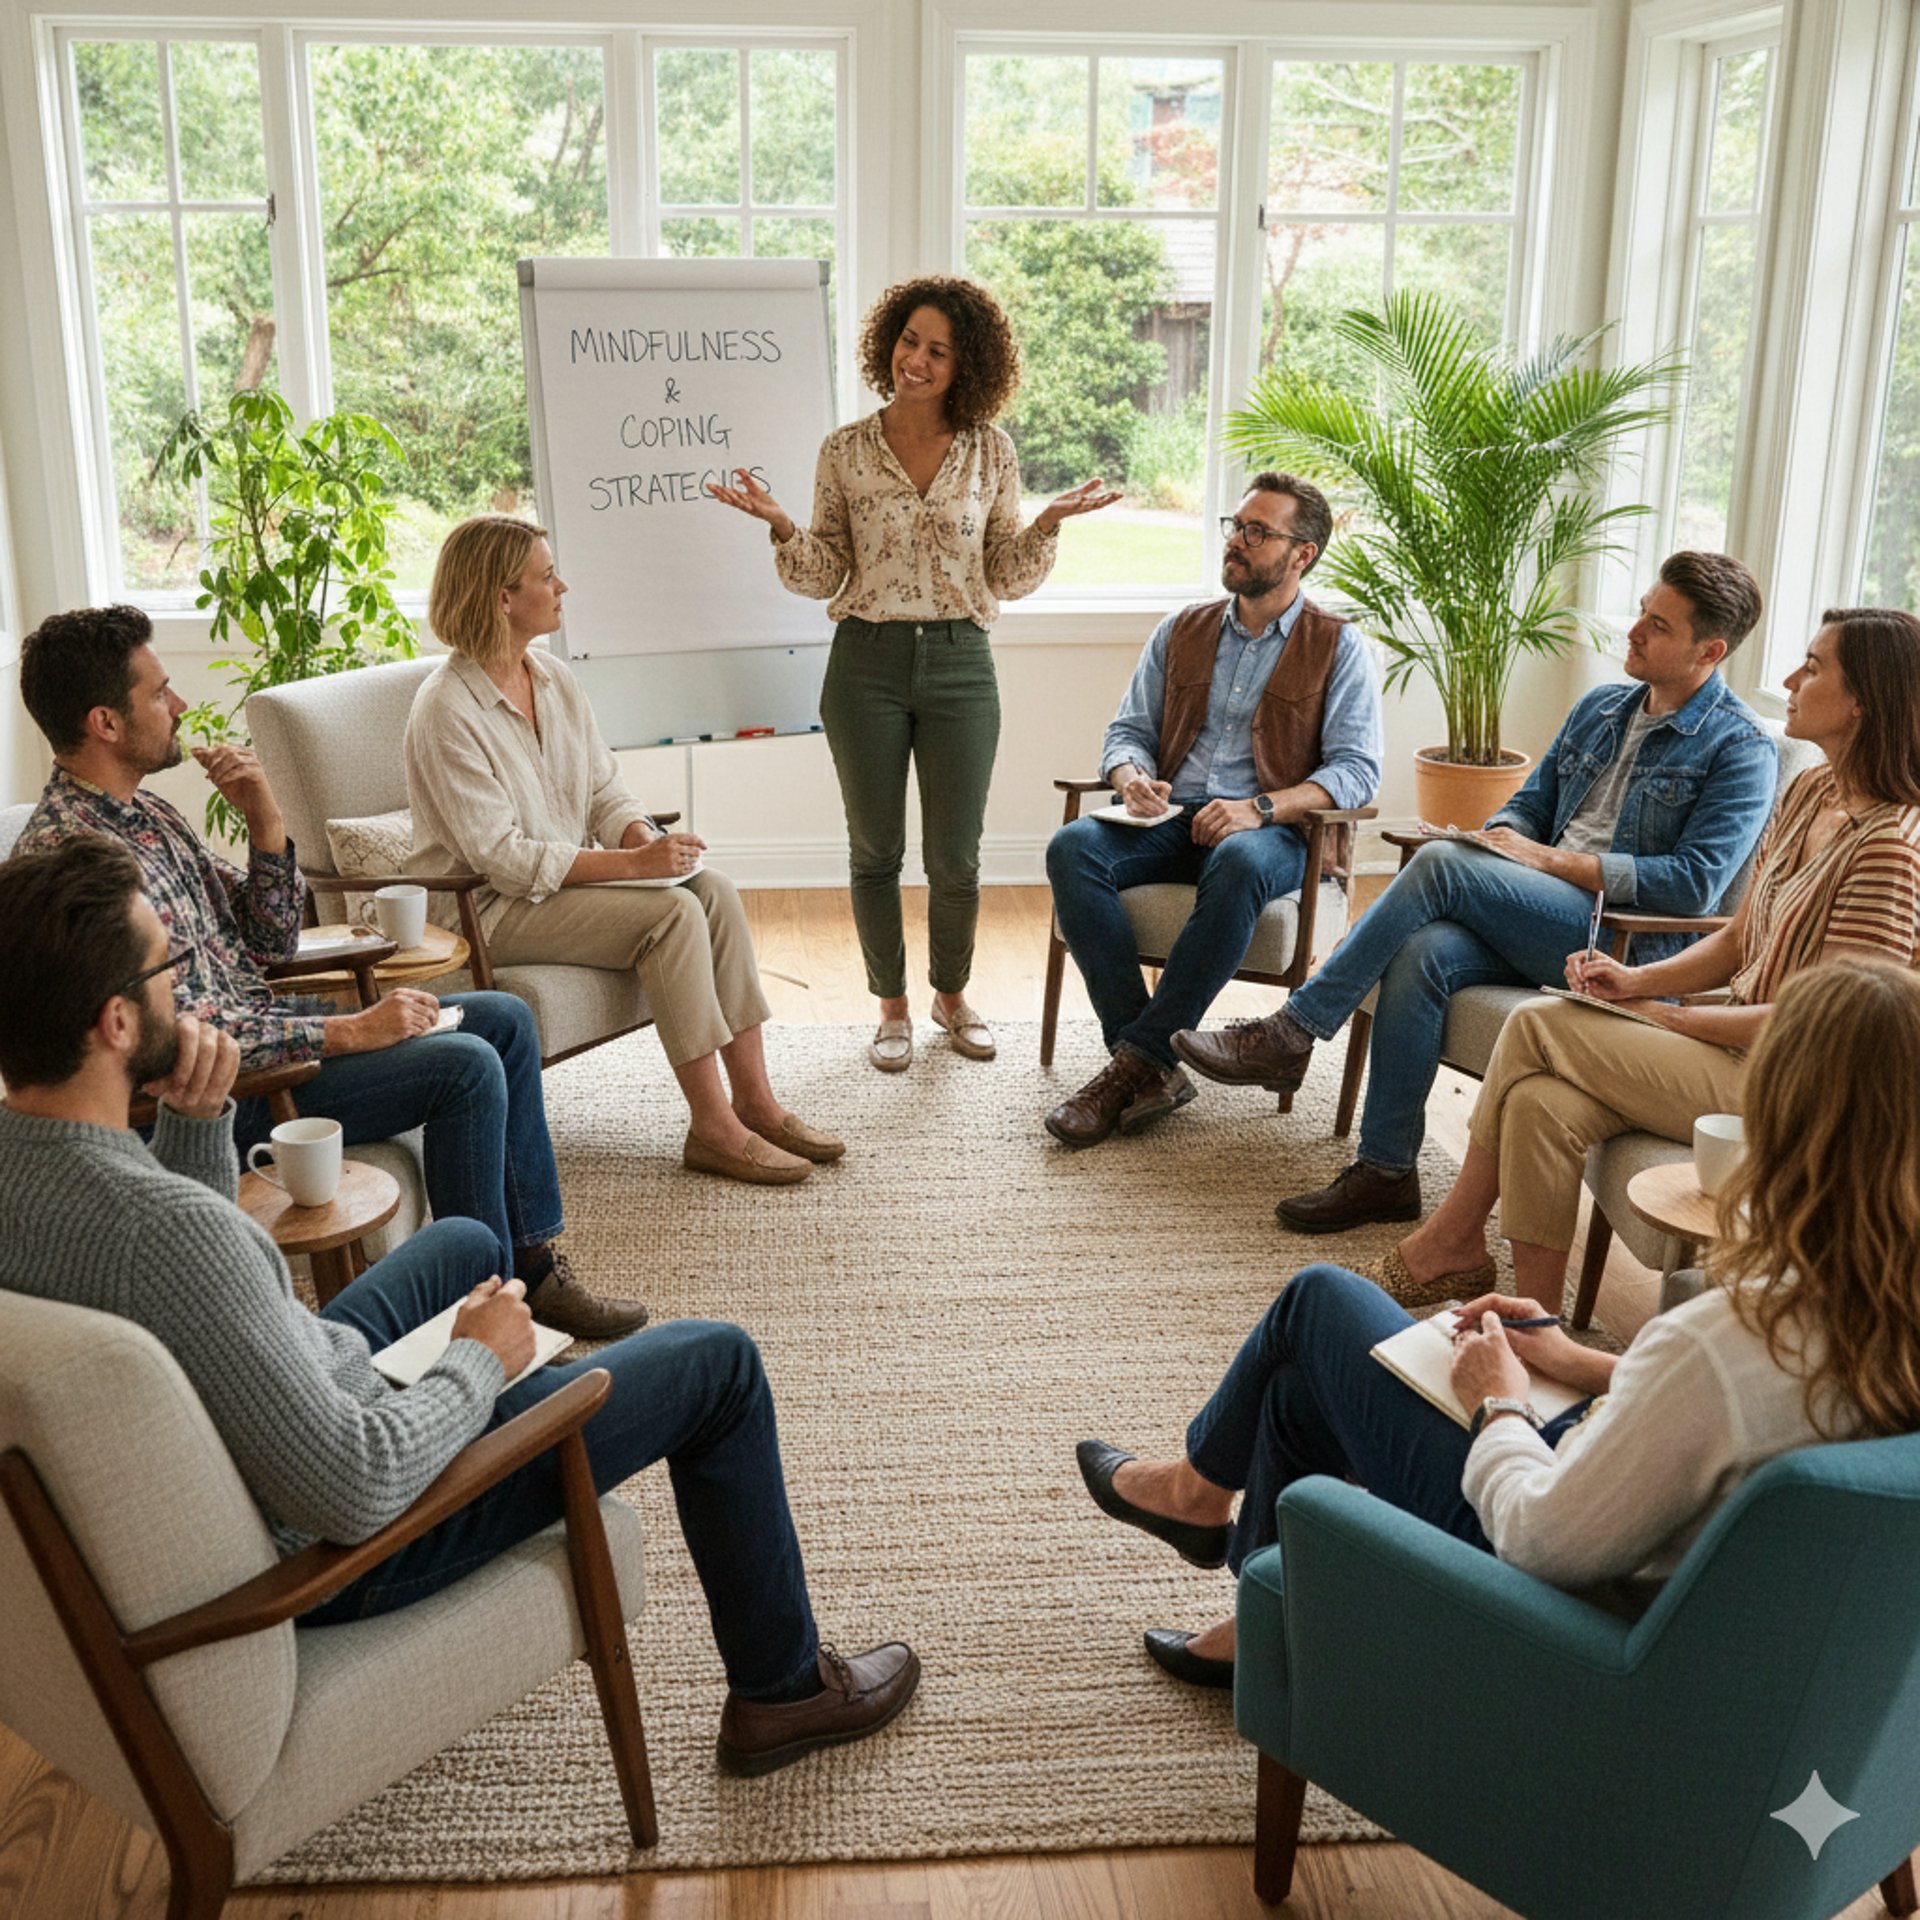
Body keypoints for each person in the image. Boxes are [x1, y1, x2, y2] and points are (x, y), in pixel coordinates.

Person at [0, 836, 921, 1776]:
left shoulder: (28, 1170)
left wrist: (198, 1126)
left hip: (265, 1404)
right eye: (171, 967)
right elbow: (351, 1485)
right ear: (117, 1023)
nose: (185, 988)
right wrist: (475, 1363)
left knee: (468, 1244)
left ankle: (511, 1342)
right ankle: (784, 1693)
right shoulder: (167, 1238)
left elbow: (175, 1293)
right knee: (717, 1362)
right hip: (341, 1536)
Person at [1077, 956, 1920, 1686]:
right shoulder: (1872, 1314)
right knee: (1301, 1393)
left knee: (1318, 1302)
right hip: (1683, 1583)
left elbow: (1540, 1540)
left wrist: (1500, 1400)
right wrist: (1578, 1362)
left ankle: (1196, 1496)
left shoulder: (1728, 1338)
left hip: (1566, 1600)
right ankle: (1264, 1626)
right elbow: (1741, 1416)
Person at [15, 604, 646, 1339]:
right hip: (224, 1094)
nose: (180, 705)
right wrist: (346, 1031)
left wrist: (266, 821)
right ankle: (481, 1316)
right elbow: (176, 1040)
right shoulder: (76, 866)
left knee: (502, 1019)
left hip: (267, 1041)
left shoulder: (149, 816)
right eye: (159, 693)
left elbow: (270, 943)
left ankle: (528, 1270)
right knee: (468, 1066)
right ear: (107, 723)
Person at [1171, 550, 1776, 1232]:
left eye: (1658, 625)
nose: (1634, 630)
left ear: (1710, 650)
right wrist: (1502, 844)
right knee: (1425, 948)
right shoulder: (1604, 707)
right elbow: (1528, 805)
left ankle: (1296, 1028)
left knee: (1438, 865)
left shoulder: (1741, 749)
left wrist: (1544, 864)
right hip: (1541, 912)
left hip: (1623, 947)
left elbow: (1696, 883)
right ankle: (1387, 1173)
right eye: (1640, 611)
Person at [1385, 605, 1920, 1316]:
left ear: (1863, 702)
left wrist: (1671, 1018)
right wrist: (1635, 981)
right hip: (1734, 1049)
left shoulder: (1890, 847)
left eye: (1814, 666)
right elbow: (1736, 939)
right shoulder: (1812, 790)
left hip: (1795, 1089)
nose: (1789, 678)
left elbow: (1836, 1029)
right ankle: (1537, 1329)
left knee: (1540, 1025)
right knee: (1543, 1105)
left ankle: (1451, 1240)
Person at [707, 274, 1118, 1072]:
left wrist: (1048, 524)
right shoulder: (846, 450)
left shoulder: (991, 450)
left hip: (964, 662)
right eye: (908, 342)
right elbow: (821, 574)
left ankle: (951, 996)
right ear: (887, 343)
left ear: (968, 366)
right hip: (865, 661)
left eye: (937, 350)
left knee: (956, 856)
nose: (916, 361)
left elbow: (1002, 574)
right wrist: (783, 524)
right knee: (875, 850)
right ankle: (890, 1007)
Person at [407, 514, 838, 1188]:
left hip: (559, 889)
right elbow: (504, 859)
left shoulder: (550, 678)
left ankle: (755, 1102)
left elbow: (603, 789)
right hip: (486, 911)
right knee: (669, 915)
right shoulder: (446, 711)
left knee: (711, 891)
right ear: (502, 598)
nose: (562, 587)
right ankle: (714, 1128)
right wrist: (636, 870)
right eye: (547, 577)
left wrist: (645, 839)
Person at [1039, 473, 1384, 1148]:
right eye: (1237, 525)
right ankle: (1147, 1061)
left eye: (1259, 532)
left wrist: (1260, 806)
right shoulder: (1182, 629)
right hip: (1172, 814)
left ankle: (1132, 1066)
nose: (1238, 541)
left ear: (1302, 554)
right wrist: (1131, 776)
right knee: (1071, 848)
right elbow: (1128, 731)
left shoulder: (1339, 645)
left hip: (1278, 831)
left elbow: (1356, 770)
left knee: (1236, 856)